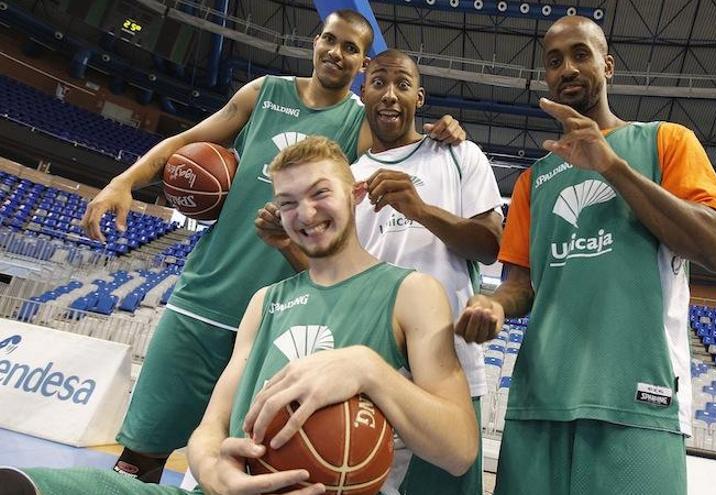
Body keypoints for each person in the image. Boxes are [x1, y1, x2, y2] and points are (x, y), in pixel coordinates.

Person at [79, 10, 465, 481]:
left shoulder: (361, 124)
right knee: (141, 453)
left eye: (350, 49)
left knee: (253, 465)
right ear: (315, 41)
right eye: (330, 40)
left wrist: (445, 129)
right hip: (204, 301)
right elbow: (186, 141)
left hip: (283, 319)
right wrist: (124, 181)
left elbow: (405, 135)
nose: (335, 53)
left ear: (362, 65)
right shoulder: (264, 94)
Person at [1, 136, 478, 495]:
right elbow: (212, 425)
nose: (305, 214)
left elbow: (459, 450)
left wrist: (370, 369)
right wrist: (210, 465)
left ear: (353, 194)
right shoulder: (264, 301)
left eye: (320, 193)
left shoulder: (413, 292)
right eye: (288, 202)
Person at [455, 16, 716, 495]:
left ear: (608, 66)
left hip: (639, 402)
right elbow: (520, 285)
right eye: (555, 61)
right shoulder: (532, 180)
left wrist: (610, 165)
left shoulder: (665, 140)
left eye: (580, 54)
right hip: (540, 402)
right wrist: (495, 304)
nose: (568, 68)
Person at [260, 49, 502, 494]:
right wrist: (286, 246)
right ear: (363, 91)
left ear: (420, 97)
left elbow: (490, 246)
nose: (390, 95)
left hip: (445, 364)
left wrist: (421, 211)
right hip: (365, 370)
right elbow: (335, 275)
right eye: (378, 83)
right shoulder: (346, 179)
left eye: (403, 85)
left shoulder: (459, 155)